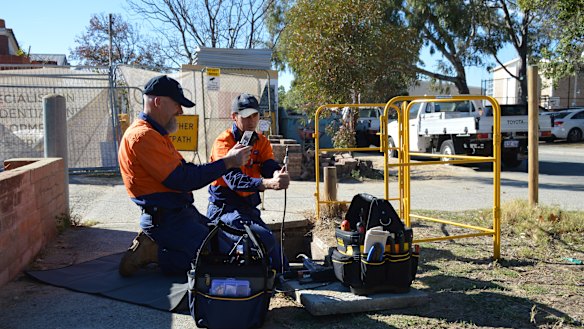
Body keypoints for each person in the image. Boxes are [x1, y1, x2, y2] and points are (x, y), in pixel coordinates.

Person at [117, 75, 251, 277]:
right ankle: (153, 252)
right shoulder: (143, 136)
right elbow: (183, 179)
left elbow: (184, 170)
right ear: (158, 102)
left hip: (178, 213)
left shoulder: (155, 133)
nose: (180, 111)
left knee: (225, 245)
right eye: (177, 104)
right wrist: (228, 162)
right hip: (166, 219)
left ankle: (158, 245)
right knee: (214, 261)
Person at [207, 93, 290, 272]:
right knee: (262, 239)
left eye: (255, 115)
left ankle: (279, 279)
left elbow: (268, 165)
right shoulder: (224, 142)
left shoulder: (261, 141)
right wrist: (268, 183)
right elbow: (235, 181)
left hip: (248, 208)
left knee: (280, 261)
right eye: (246, 116)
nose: (251, 121)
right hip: (225, 208)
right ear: (234, 117)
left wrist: (278, 174)